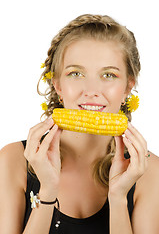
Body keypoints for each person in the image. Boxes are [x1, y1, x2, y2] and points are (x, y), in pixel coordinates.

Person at [0, 14, 159, 234]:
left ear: (127, 88)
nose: (91, 90)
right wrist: (46, 192)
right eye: (76, 73)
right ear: (57, 85)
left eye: (109, 75)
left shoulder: (149, 172)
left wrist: (118, 199)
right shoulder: (14, 160)